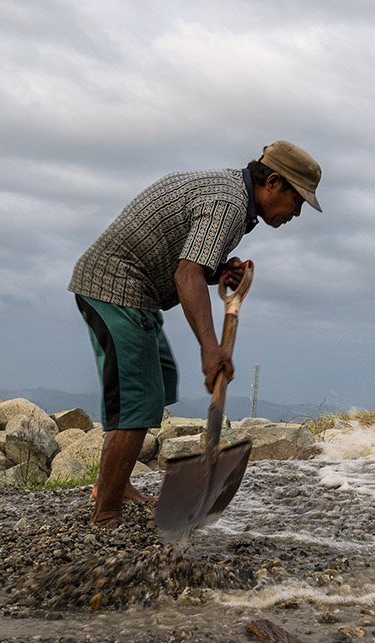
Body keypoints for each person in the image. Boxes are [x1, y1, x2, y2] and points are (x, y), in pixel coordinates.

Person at [69, 140, 322, 526]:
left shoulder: (231, 196)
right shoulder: (228, 203)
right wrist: (209, 346)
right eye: (297, 201)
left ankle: (115, 486)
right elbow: (186, 273)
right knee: (136, 398)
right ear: (273, 182)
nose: (297, 213)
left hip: (136, 292)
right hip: (116, 287)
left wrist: (219, 272)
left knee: (158, 382)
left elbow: (193, 262)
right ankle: (106, 512)